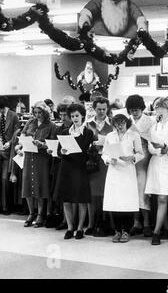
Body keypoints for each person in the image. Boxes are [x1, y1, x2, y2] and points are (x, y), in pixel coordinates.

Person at [54, 104, 94, 240]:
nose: (75, 118)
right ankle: (70, 227)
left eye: (77, 115)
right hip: (66, 167)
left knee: (81, 199)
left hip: (79, 167)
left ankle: (80, 228)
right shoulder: (65, 132)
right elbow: (59, 151)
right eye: (72, 116)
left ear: (82, 116)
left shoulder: (88, 132)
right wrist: (62, 151)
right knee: (67, 200)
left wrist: (73, 151)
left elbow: (85, 151)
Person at [145, 98, 168, 245]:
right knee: (158, 197)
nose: (158, 111)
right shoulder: (154, 126)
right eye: (156, 108)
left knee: (163, 198)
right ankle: (166, 228)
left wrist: (165, 147)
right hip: (156, 162)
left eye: (160, 107)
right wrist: (156, 149)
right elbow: (149, 146)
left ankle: (156, 232)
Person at [102, 114, 144, 243]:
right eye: (117, 123)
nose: (120, 126)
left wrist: (132, 158)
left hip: (127, 171)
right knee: (115, 202)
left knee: (126, 202)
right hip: (114, 171)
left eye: (122, 123)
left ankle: (126, 230)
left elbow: (140, 153)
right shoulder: (110, 136)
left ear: (127, 122)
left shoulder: (133, 135)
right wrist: (109, 160)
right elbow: (104, 153)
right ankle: (117, 231)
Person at [16, 101, 56, 228]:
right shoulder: (30, 122)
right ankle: (31, 212)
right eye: (35, 113)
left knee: (40, 185)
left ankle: (40, 213)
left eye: (40, 113)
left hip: (42, 157)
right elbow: (22, 136)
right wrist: (19, 145)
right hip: (29, 155)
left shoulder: (51, 125)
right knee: (27, 183)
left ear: (45, 113)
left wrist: (42, 144)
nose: (37, 115)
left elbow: (53, 143)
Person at [126, 95, 155, 237]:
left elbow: (152, 139)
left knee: (143, 191)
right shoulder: (127, 121)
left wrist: (138, 133)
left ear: (142, 108)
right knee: (131, 191)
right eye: (132, 110)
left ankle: (146, 223)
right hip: (129, 159)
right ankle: (136, 222)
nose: (134, 112)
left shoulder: (150, 121)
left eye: (137, 109)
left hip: (143, 157)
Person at [85, 97, 113, 237]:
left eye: (104, 109)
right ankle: (93, 223)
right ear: (94, 109)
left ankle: (106, 223)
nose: (101, 112)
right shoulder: (88, 124)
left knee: (106, 193)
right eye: (99, 109)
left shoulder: (113, 123)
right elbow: (83, 141)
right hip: (93, 161)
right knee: (93, 194)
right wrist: (91, 145)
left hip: (107, 161)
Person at [0, 97, 20, 215]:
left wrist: (10, 142)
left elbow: (17, 133)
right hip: (0, 148)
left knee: (5, 180)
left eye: (2, 110)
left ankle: (6, 206)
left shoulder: (13, 116)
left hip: (9, 151)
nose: (1, 112)